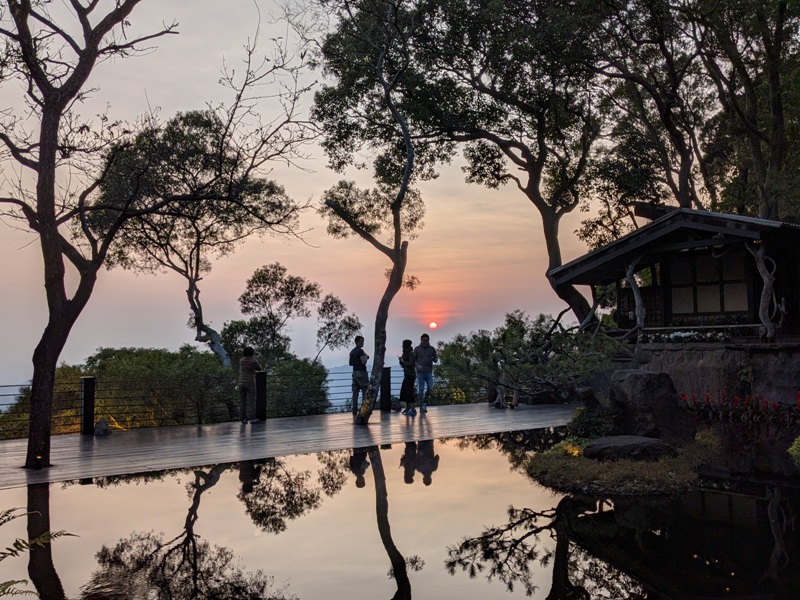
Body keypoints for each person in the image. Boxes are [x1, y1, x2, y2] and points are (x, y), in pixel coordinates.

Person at [413, 333, 438, 413]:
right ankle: (421, 406)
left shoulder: (432, 349)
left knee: (430, 388)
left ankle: (425, 402)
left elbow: (435, 358)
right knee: (421, 389)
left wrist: (434, 359)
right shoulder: (417, 349)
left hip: (429, 372)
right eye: (424, 340)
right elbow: (414, 360)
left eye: (426, 340)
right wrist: (417, 366)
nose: (425, 342)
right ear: (421, 340)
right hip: (420, 373)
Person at [238, 346, 262, 424]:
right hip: (250, 382)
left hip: (241, 382)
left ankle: (243, 419)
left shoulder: (241, 361)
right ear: (252, 353)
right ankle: (253, 418)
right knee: (252, 400)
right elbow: (259, 369)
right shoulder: (254, 361)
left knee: (243, 401)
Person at [349, 335, 369, 418]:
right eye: (361, 341)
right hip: (362, 373)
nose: (362, 343)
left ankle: (354, 411)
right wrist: (366, 357)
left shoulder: (352, 352)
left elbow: (350, 363)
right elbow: (364, 362)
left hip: (355, 373)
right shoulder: (360, 351)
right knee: (365, 392)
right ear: (357, 342)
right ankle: (364, 411)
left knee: (355, 393)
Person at [399, 339, 417, 416]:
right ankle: (408, 407)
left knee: (409, 391)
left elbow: (411, 363)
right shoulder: (405, 353)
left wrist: (403, 362)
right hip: (406, 374)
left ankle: (412, 408)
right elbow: (404, 364)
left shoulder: (411, 353)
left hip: (411, 375)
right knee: (404, 391)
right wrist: (401, 362)